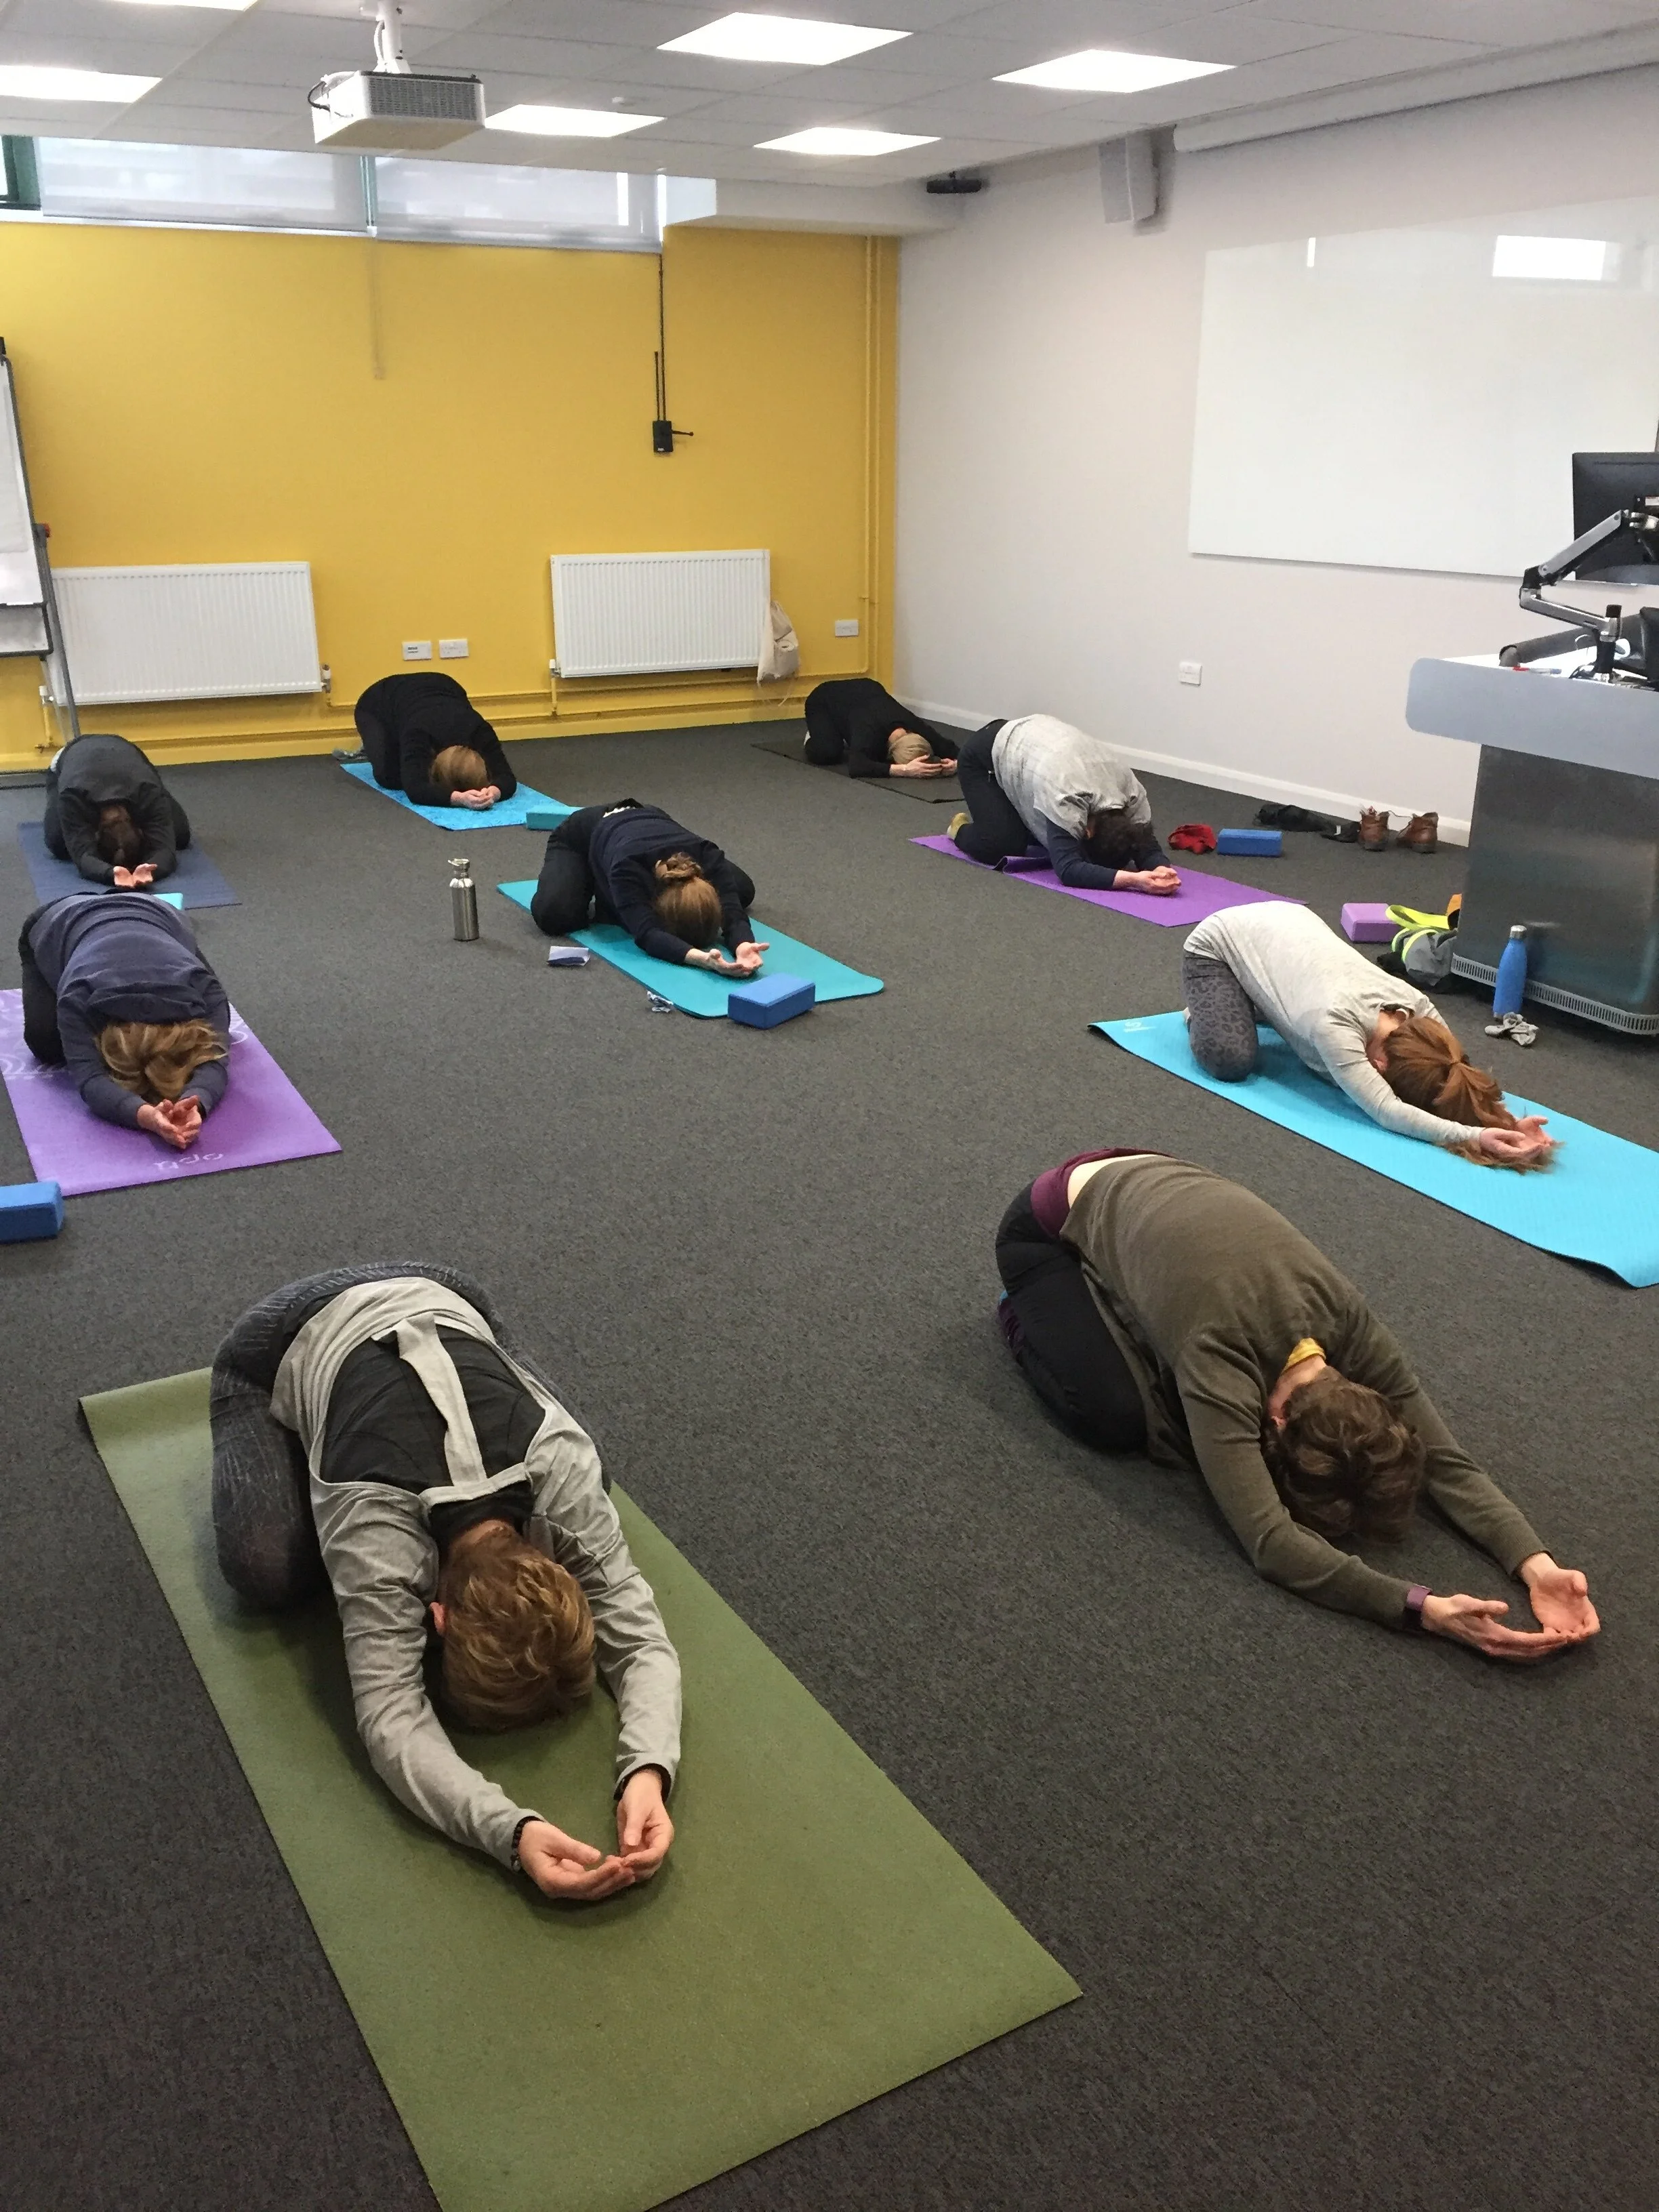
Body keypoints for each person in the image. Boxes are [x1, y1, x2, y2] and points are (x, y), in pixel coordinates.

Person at [995, 1149, 1599, 1660]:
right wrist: (1422, 1610)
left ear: (1364, 1387)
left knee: (1184, 1412)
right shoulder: (1222, 1359)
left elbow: (1446, 1462)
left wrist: (1535, 1564)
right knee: (1123, 1420)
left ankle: (1114, 1300)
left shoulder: (1350, 1326)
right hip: (1048, 1225)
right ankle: (1028, 1316)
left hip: (1158, 1179)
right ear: (1274, 1418)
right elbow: (1270, 1542)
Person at [209, 1264, 680, 1902]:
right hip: (280, 1340)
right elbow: (391, 1718)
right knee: (264, 1567)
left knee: (596, 1474)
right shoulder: (377, 1534)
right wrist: (508, 1833)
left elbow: (642, 1639)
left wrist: (649, 1769)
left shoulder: (562, 1475)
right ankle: (278, 1404)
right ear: (437, 1618)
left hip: (450, 1299)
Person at [1182, 902, 1553, 1166]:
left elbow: (1455, 1073)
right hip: (1223, 938)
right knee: (1230, 1060)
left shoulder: (1419, 1010)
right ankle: (1217, 1004)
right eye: (1381, 1070)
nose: (1374, 1071)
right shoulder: (1334, 1024)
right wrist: (1471, 1137)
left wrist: (1501, 1120)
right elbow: (1386, 1108)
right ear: (1379, 1061)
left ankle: (1256, 1001)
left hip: (1291, 929)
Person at [19, 893, 231, 1149]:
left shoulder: (205, 988)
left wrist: (194, 1102)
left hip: (154, 913)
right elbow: (90, 1080)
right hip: (57, 919)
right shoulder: (79, 996)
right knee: (46, 1044)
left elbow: (215, 1061)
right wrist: (144, 1116)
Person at [946, 712, 1179, 895]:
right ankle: (959, 828)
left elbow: (1147, 847)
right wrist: (1135, 880)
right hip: (984, 755)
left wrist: (1161, 868)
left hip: (1037, 749)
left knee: (1044, 836)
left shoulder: (1133, 797)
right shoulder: (1067, 795)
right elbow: (1068, 869)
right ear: (1087, 831)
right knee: (1000, 845)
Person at [529, 800, 766, 974]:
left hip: (650, 817)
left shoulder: (707, 854)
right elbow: (648, 933)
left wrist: (743, 944)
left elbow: (732, 913)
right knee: (555, 914)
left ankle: (607, 881)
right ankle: (597, 876)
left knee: (741, 890)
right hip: (584, 833)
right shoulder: (628, 868)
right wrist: (703, 960)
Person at [43, 730, 192, 889]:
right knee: (58, 843)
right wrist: (110, 873)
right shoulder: (73, 797)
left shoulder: (147, 792)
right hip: (70, 758)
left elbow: (165, 851)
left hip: (127, 756)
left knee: (181, 835)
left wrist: (151, 870)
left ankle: (160, 797)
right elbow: (83, 857)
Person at [352, 672, 518, 811]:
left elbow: (507, 778)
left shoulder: (480, 730)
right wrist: (459, 799)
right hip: (377, 703)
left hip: (443, 686)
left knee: (407, 765)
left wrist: (493, 792)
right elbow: (415, 789)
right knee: (391, 779)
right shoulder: (419, 733)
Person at [801, 677, 958, 781]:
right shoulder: (869, 733)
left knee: (856, 739)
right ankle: (814, 734)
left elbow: (954, 749)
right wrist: (904, 770)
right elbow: (857, 766)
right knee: (828, 753)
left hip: (867, 688)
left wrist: (955, 765)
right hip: (824, 698)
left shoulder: (914, 725)